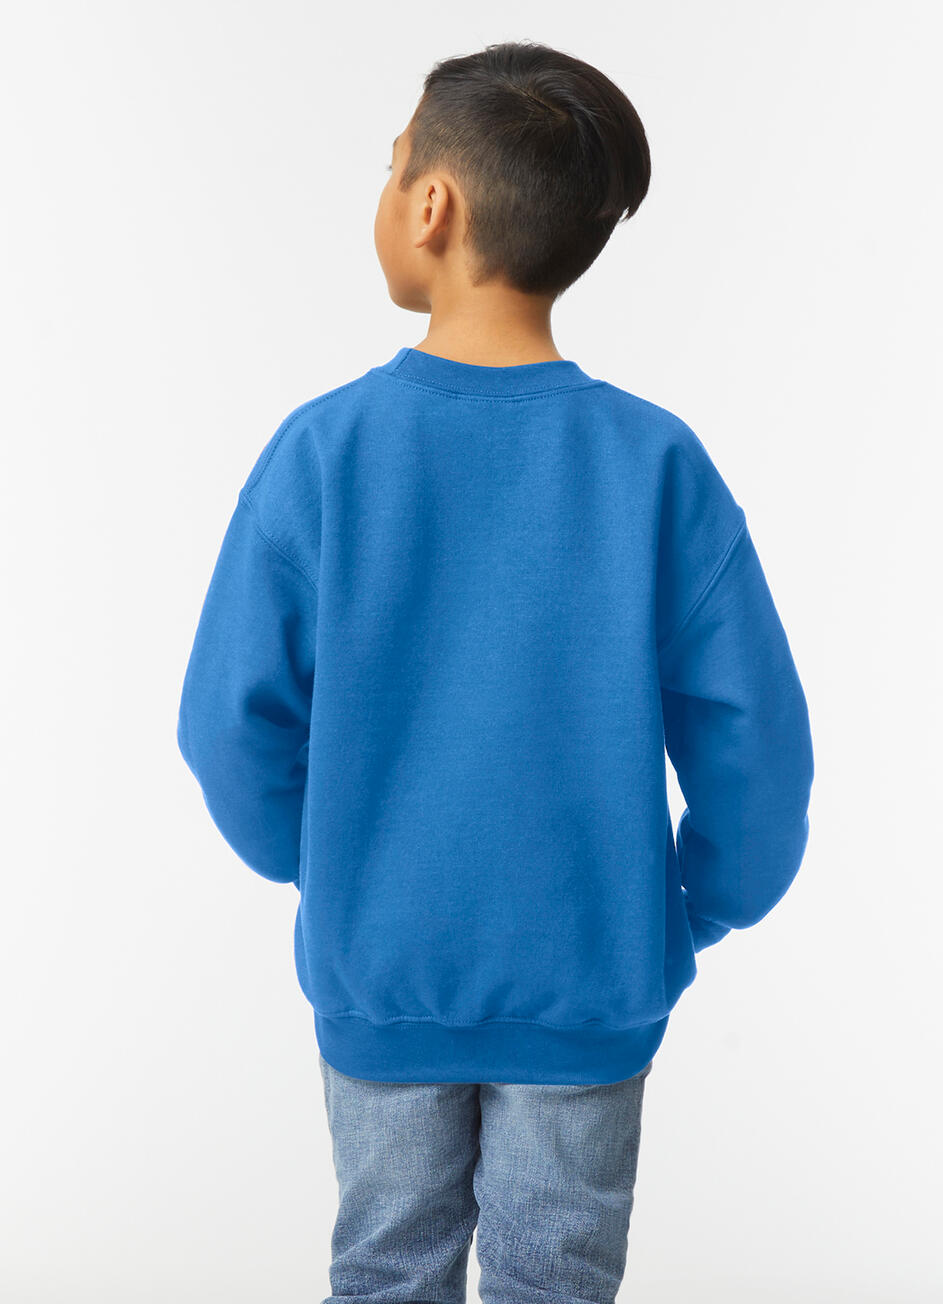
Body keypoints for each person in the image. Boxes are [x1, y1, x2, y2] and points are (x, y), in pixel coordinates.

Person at [176, 38, 814, 1304]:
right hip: (592, 973)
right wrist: (690, 908)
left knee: (385, 1272)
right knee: (556, 1280)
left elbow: (227, 725)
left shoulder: (323, 453)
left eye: (391, 165)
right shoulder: (656, 464)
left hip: (382, 969)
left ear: (432, 204)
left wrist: (335, 866)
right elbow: (758, 746)